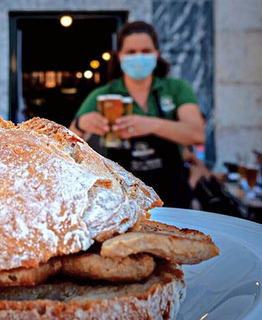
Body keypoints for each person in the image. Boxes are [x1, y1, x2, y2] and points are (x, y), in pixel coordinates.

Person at [69, 21, 205, 208]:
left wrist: (150, 125)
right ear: (120, 56)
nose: (138, 57)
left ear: (157, 54)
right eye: (131, 52)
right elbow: (69, 144)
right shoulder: (103, 95)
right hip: (123, 198)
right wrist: (81, 123)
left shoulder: (176, 89)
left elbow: (197, 134)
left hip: (174, 195)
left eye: (145, 51)